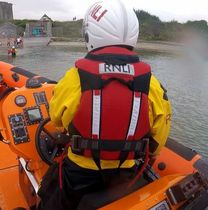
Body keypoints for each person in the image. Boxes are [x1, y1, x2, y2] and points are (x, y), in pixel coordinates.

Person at [38, 0, 172, 209]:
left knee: (48, 194)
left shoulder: (75, 78)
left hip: (79, 172)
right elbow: (159, 135)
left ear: (91, 33)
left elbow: (56, 118)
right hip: (125, 173)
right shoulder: (152, 84)